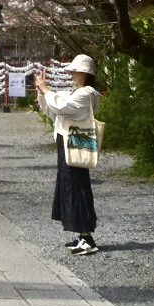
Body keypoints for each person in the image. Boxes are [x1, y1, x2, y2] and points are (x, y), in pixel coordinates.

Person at [39, 54, 102, 255]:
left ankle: (87, 237)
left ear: (84, 73)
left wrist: (46, 91)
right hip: (69, 141)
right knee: (70, 185)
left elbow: (61, 106)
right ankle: (81, 234)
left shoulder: (86, 94)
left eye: (75, 70)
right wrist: (43, 94)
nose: (72, 74)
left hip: (75, 142)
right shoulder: (80, 93)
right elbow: (56, 110)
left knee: (77, 186)